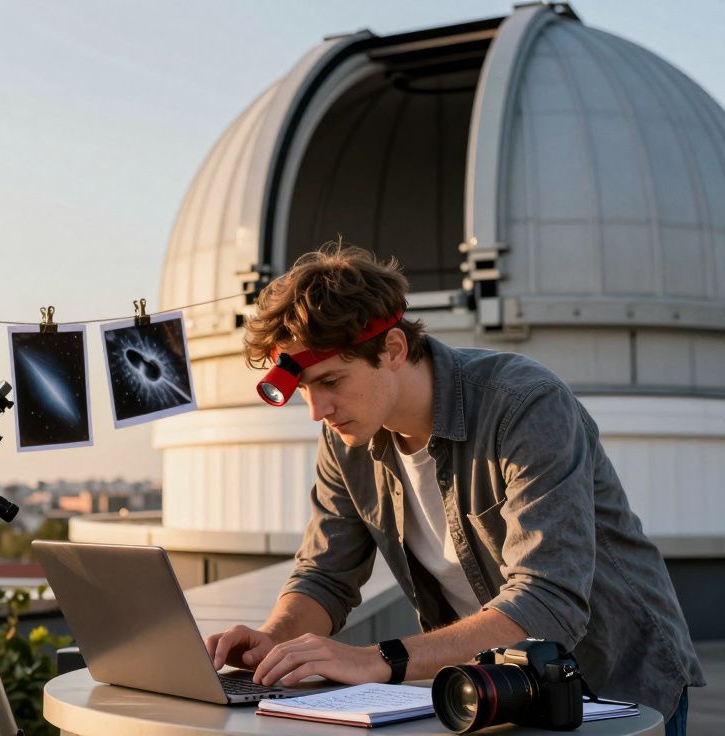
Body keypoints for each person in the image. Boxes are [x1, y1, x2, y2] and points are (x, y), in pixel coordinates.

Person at [205, 244, 703, 734]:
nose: (318, 410)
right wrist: (273, 642)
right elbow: (325, 576)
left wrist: (376, 660)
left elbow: (548, 602)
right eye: (305, 391)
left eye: (331, 381)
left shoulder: (525, 404)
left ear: (394, 348)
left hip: (614, 688)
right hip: (488, 691)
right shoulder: (346, 437)